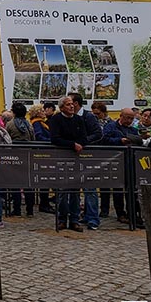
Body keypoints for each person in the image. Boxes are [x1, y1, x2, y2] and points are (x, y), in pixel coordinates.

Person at [49, 96, 86, 232]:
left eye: (72, 104)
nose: (72, 106)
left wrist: (80, 144)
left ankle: (75, 219)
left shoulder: (78, 119)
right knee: (63, 190)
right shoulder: (56, 119)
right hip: (61, 158)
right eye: (68, 104)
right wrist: (72, 144)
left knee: (76, 191)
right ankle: (62, 218)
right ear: (62, 107)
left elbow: (83, 136)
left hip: (76, 159)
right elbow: (55, 138)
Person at [100, 108, 143, 223]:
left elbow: (138, 142)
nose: (129, 120)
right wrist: (120, 140)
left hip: (129, 161)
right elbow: (105, 139)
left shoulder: (133, 130)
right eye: (127, 117)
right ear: (121, 116)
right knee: (117, 188)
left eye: (131, 118)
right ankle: (120, 213)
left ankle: (133, 212)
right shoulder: (110, 126)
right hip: (115, 160)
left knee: (131, 188)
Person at [69, 93, 102, 231]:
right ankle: (81, 215)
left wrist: (83, 142)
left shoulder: (88, 117)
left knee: (90, 188)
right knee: (75, 188)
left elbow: (98, 134)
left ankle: (93, 219)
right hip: (74, 156)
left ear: (76, 103)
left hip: (88, 156)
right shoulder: (70, 118)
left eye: (70, 102)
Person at [6, 102, 35, 217]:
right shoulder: (29, 124)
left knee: (15, 183)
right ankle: (30, 210)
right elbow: (33, 138)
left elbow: (6, 139)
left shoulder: (10, 124)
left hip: (15, 155)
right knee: (28, 183)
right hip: (28, 155)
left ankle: (17, 209)